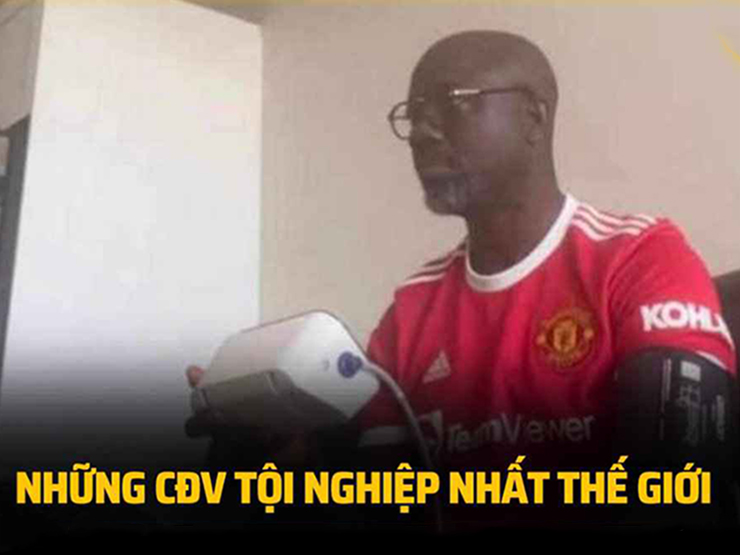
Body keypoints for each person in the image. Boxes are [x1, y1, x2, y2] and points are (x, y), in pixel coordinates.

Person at [188, 30, 737, 529]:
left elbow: (681, 485)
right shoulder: (412, 310)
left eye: (452, 102)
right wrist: (291, 464)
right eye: (414, 113)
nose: (422, 133)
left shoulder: (639, 257)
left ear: (534, 118)